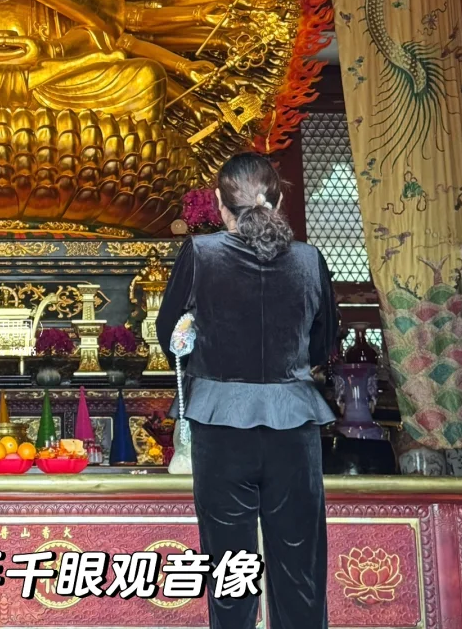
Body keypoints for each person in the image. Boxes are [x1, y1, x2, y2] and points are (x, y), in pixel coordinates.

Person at [156, 153, 338, 629]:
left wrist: (206, 348)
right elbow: (324, 343)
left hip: (221, 425)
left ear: (219, 203)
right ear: (277, 200)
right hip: (293, 425)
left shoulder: (199, 254)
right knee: (299, 569)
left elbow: (166, 333)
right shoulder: (309, 260)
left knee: (229, 572)